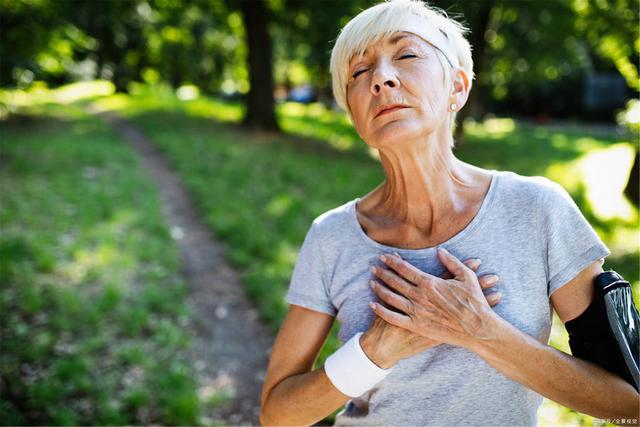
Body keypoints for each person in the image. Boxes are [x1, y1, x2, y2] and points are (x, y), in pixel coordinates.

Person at [259, 0, 640, 425]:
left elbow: (628, 401)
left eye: (406, 55)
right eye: (358, 73)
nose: (381, 79)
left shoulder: (539, 210)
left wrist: (479, 330)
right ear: (353, 113)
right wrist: (375, 351)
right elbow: (277, 414)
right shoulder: (331, 236)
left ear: (457, 87)